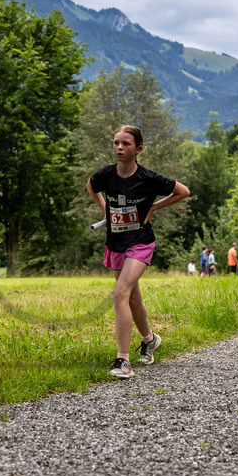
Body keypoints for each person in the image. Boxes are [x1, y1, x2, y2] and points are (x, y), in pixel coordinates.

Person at [87, 125, 190, 379]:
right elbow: (91, 185)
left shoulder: (148, 178)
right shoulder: (107, 175)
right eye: (116, 143)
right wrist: (105, 210)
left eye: (126, 144)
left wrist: (153, 208)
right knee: (132, 297)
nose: (119, 148)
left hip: (141, 242)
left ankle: (123, 360)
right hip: (116, 243)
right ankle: (150, 339)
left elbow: (182, 191)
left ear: (138, 149)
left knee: (120, 292)